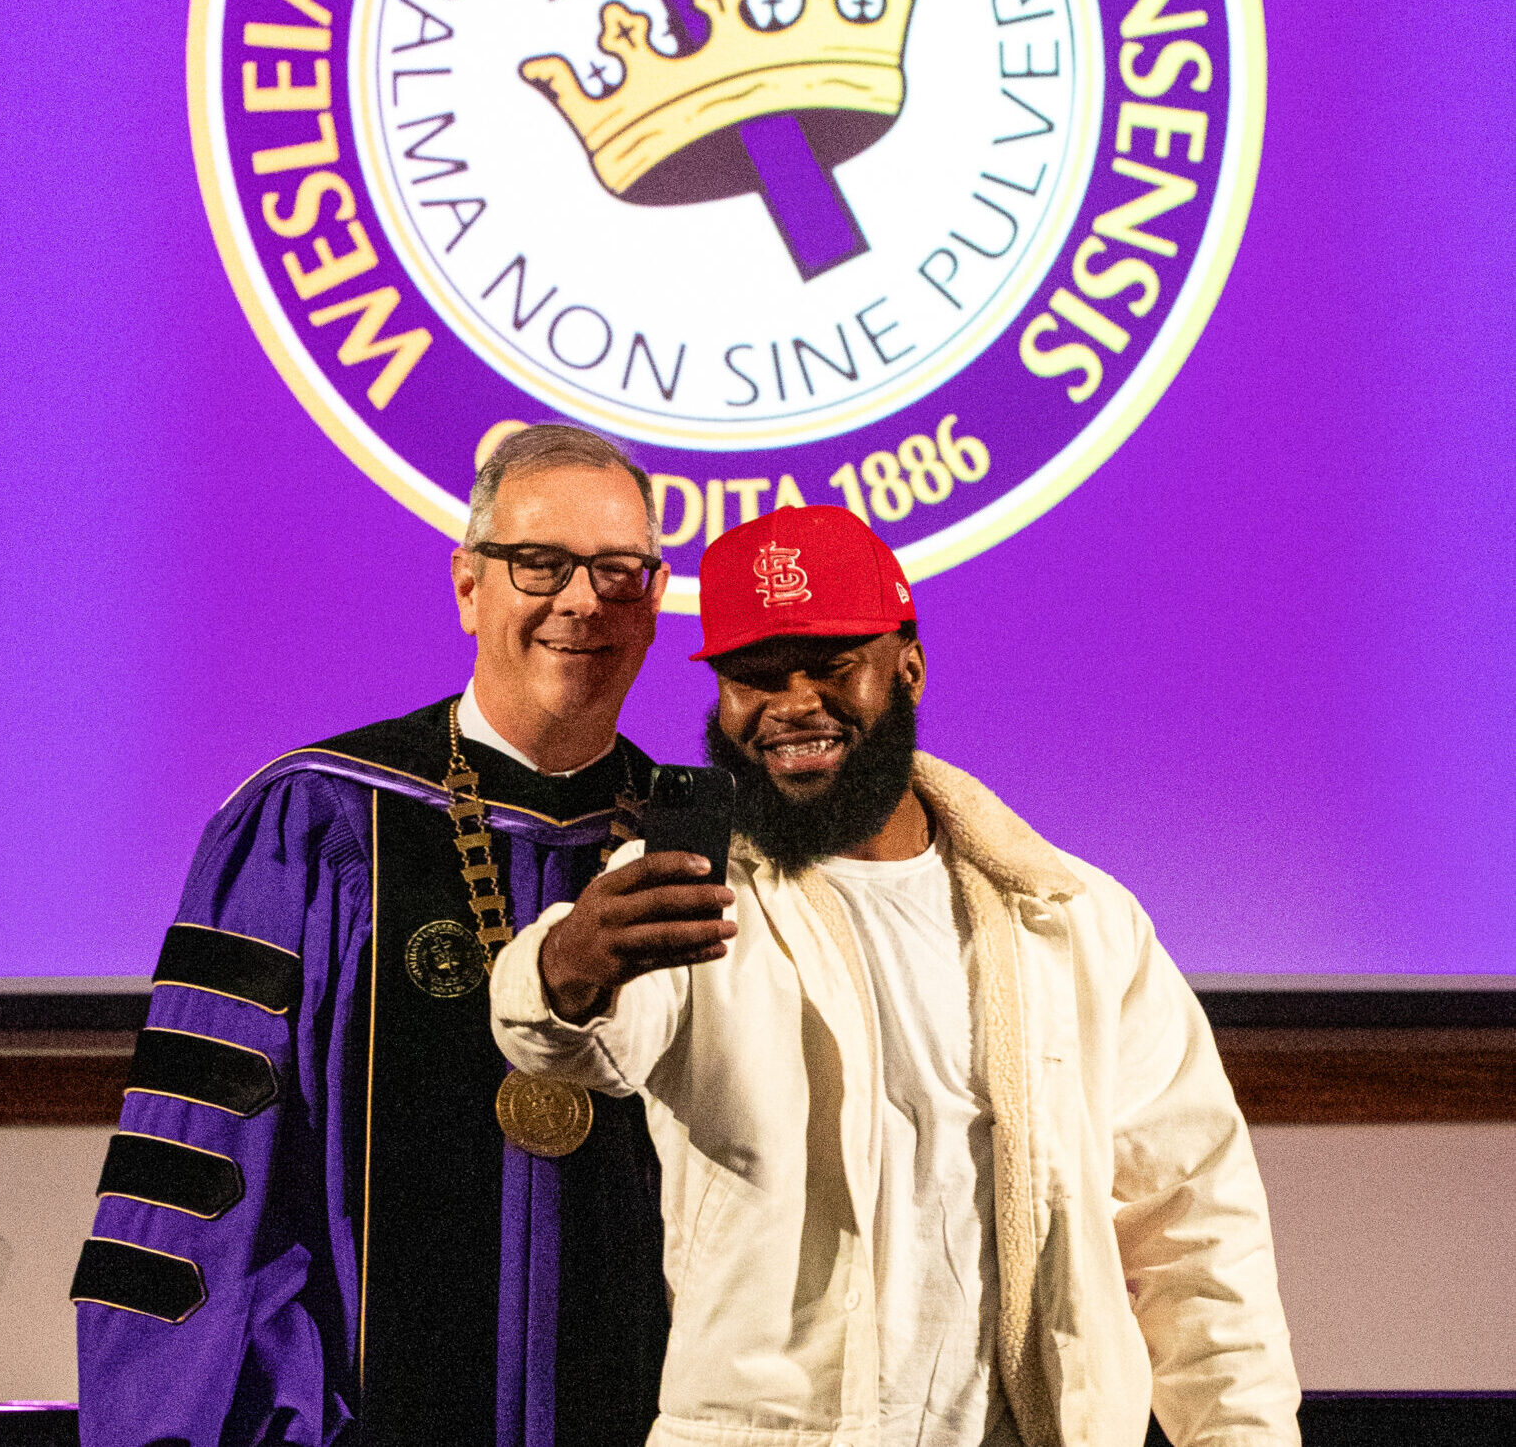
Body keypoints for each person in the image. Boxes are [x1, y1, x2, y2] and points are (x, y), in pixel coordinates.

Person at [492, 505, 1303, 1447]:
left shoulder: (1074, 919)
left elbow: (1193, 1221)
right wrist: (566, 968)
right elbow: (567, 1042)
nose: (792, 703)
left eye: (831, 664)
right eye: (755, 675)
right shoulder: (689, 895)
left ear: (907, 665)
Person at [73, 424, 674, 1447]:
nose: (582, 601)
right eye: (539, 563)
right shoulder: (315, 821)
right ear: (469, 585)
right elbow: (197, 1189)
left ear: (654, 602)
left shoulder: (693, 848)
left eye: (618, 570)